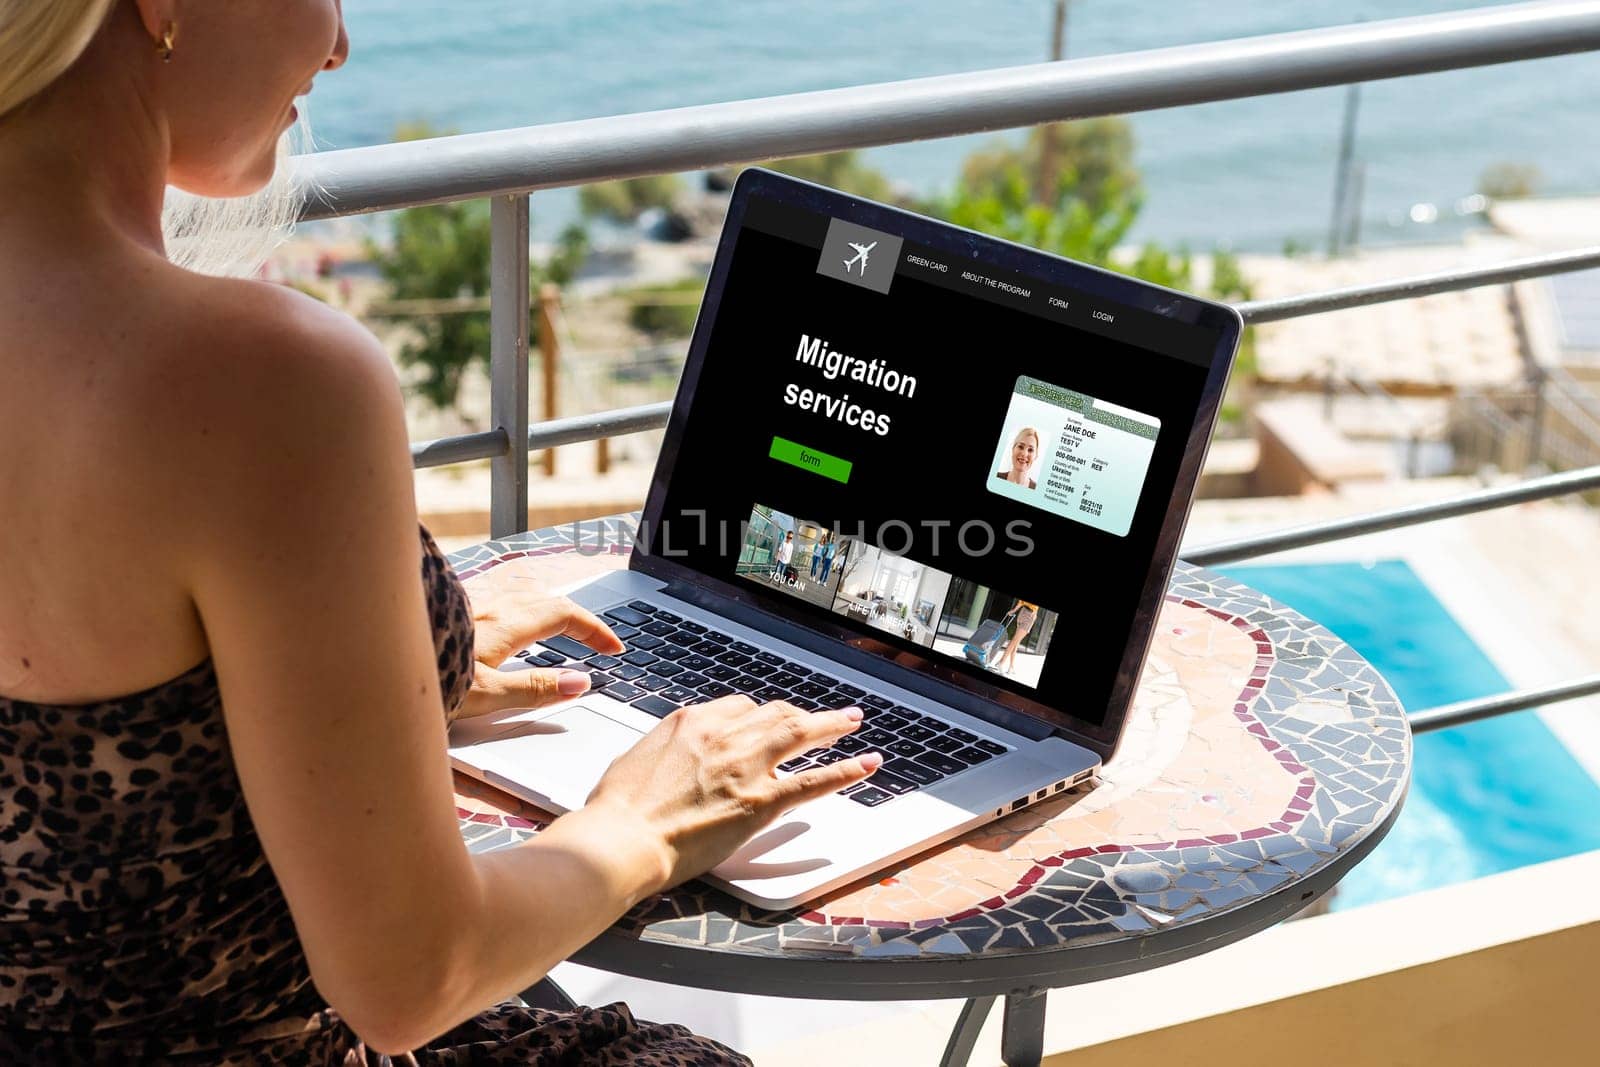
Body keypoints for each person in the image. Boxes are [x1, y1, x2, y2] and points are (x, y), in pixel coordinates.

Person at [0, 3, 881, 1062]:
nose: (337, 45)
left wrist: (370, 672)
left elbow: (76, 780)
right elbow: (410, 979)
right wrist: (644, 821)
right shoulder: (257, 383)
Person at [995, 598, 1041, 676]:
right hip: (1030, 615)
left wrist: (1013, 611)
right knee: (1014, 641)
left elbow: (1020, 602)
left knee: (1016, 642)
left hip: (1022, 612)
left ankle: (1011, 667)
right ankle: (1001, 662)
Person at [995, 425, 1041, 490]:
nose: (1024, 454)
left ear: (1036, 456)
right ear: (1013, 449)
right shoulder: (996, 477)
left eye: (1030, 450)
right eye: (1021, 447)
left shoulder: (1037, 489)